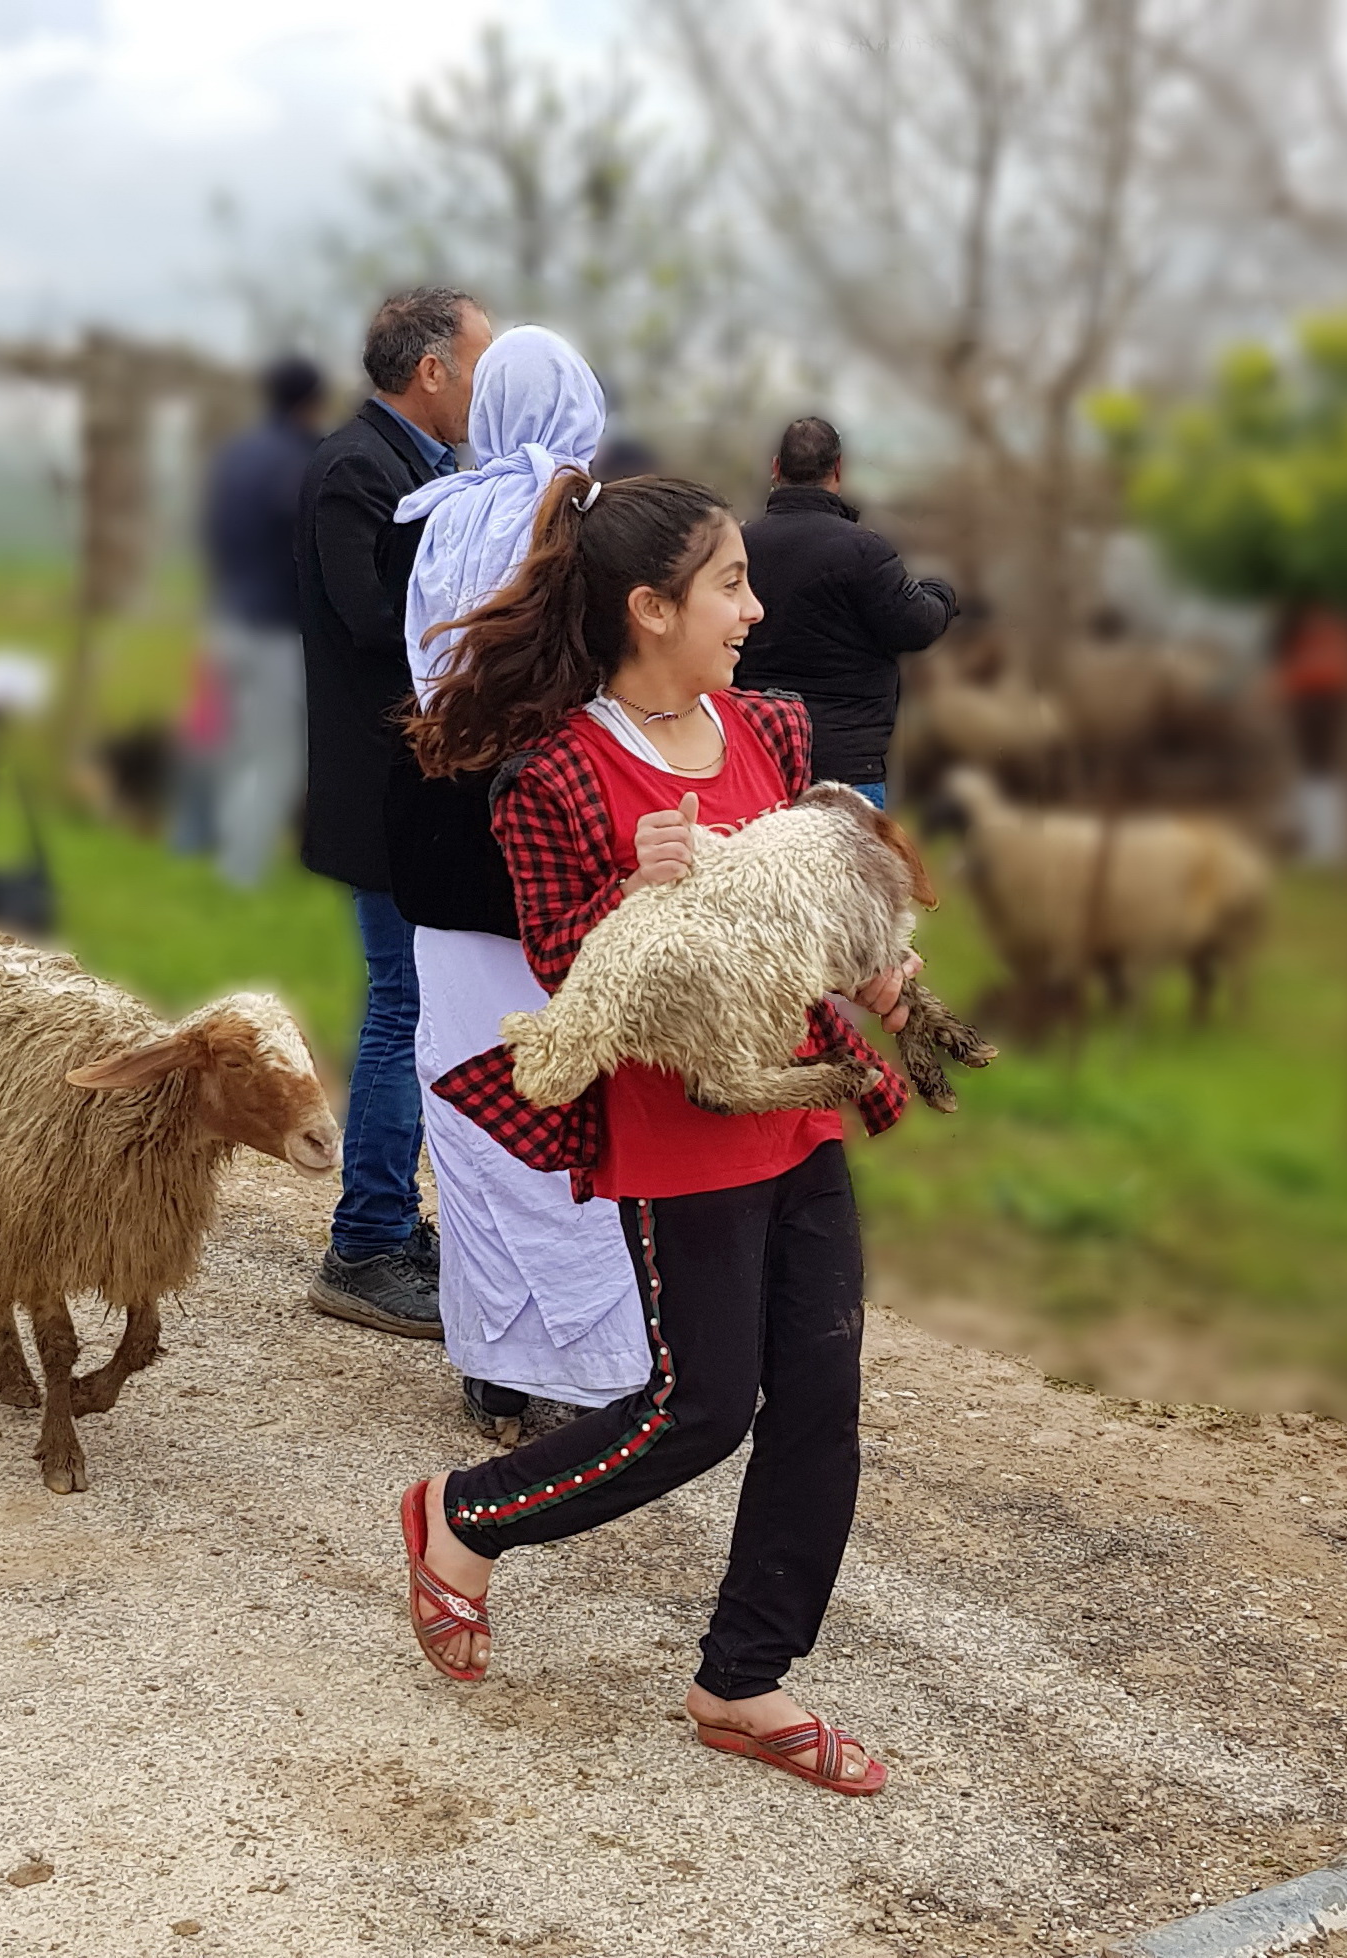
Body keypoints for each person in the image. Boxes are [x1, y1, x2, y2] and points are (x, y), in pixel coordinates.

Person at [397, 470, 917, 1796]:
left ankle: (741, 1679)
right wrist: (634, 884)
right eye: (729, 583)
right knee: (700, 1408)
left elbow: (806, 906)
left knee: (818, 1400)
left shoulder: (770, 734)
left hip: (791, 1102)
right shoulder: (556, 776)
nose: (752, 607)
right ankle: (464, 1517)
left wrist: (870, 967)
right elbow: (565, 973)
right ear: (648, 607)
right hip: (671, 1127)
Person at [390, 326, 647, 1440]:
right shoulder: (584, 518)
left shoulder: (444, 513)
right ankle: (602, 1361)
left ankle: (493, 1360)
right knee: (577, 1106)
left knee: (470, 1100)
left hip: (441, 826)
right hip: (553, 835)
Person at [296, 287, 493, 1338]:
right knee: (400, 1009)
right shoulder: (356, 472)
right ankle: (365, 1237)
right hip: (381, 789)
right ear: (430, 371)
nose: (484, 385)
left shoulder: (418, 469)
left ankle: (389, 1213)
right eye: (478, 362)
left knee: (415, 1005)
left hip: (413, 783)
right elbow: (374, 624)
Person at [736, 416, 957, 808]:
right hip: (848, 772)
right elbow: (916, 625)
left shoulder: (737, 548)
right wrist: (942, 591)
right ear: (838, 469)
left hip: (757, 760)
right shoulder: (863, 551)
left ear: (776, 468)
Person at [202, 355, 325, 887]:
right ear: (311, 402)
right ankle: (240, 873)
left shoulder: (234, 456)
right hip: (277, 628)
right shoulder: (303, 458)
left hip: (226, 618)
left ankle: (224, 852)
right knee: (279, 758)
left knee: (238, 748)